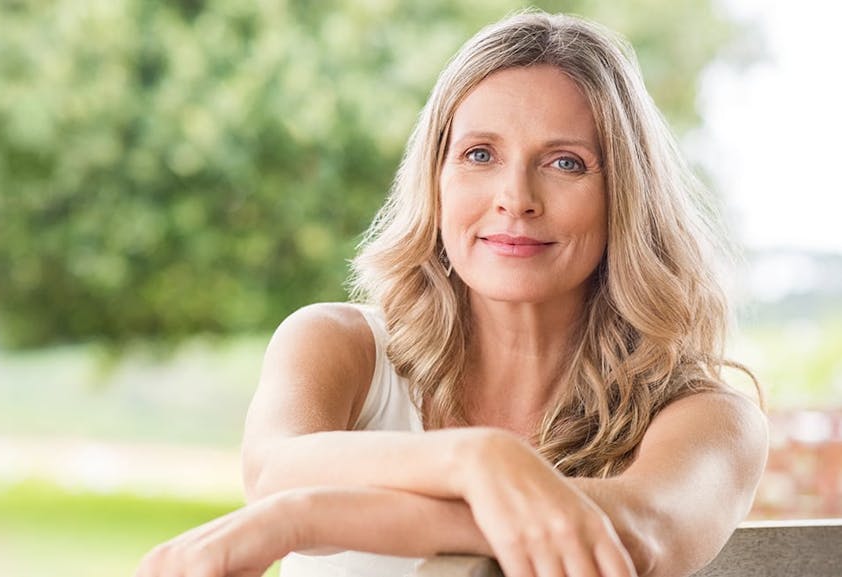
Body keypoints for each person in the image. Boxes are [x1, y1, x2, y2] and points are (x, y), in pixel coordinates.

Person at [135, 9, 768, 577]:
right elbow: (275, 471)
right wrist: (475, 460)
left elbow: (636, 533)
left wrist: (299, 521)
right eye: (479, 154)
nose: (515, 198)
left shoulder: (712, 418)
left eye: (565, 162)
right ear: (435, 181)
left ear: (624, 198)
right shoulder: (336, 345)